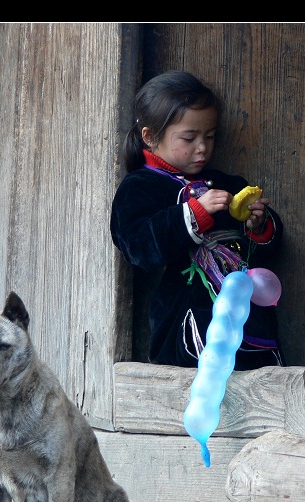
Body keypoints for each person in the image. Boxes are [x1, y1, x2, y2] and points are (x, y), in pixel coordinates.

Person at [110, 70, 284, 371]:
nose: (202, 147)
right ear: (151, 137)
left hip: (245, 313)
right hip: (187, 319)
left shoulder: (224, 183)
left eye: (210, 136)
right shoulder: (140, 187)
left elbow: (263, 248)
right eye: (189, 138)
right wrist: (195, 213)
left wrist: (258, 226)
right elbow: (137, 245)